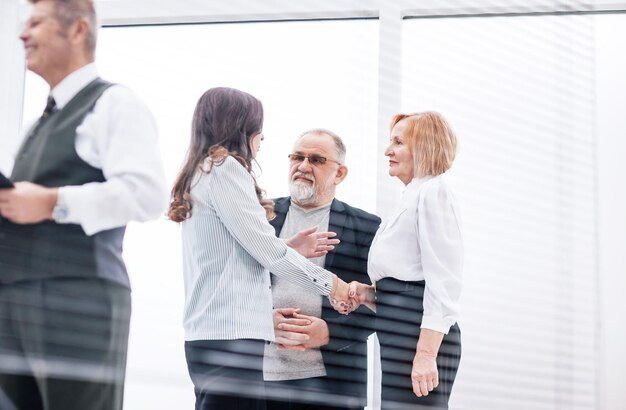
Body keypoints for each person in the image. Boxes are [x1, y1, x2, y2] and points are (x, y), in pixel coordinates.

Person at [0, 0, 168, 409]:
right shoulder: (33, 127)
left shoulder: (115, 104)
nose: (23, 34)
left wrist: (53, 202)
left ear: (77, 31)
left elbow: (148, 195)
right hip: (14, 299)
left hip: (79, 301)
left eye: (36, 23)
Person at [168, 88, 359, 410]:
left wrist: (286, 246)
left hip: (210, 335)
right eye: (258, 129)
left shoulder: (201, 172)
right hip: (232, 338)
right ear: (242, 129)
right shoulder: (226, 169)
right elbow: (267, 254)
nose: (261, 139)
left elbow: (235, 248)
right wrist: (336, 286)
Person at [349, 112, 463, 409]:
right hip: (400, 328)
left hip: (419, 335)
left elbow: (444, 281)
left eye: (398, 142)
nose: (388, 151)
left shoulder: (434, 192)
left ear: (424, 147)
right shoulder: (410, 197)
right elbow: (405, 278)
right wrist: (370, 295)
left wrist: (425, 355)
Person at [263, 129, 381, 410]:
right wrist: (260, 318)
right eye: (297, 157)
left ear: (339, 174)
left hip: (332, 385)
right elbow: (234, 283)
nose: (303, 167)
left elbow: (379, 303)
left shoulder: (367, 228)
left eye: (316, 160)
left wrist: (329, 332)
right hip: (260, 381)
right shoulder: (260, 216)